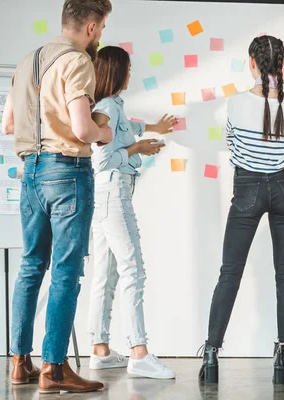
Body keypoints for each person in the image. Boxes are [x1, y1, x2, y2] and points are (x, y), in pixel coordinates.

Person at [2, 0, 113, 393]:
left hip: (29, 172)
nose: (100, 35)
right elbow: (83, 130)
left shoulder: (26, 63)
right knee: (66, 273)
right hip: (66, 172)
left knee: (31, 267)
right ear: (91, 27)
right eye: (101, 28)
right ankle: (54, 369)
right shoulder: (78, 61)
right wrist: (105, 132)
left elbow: (8, 123)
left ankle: (20, 363)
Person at [198, 35, 284, 385]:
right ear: (281, 64)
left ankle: (212, 354)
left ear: (253, 63)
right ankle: (282, 358)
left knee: (230, 272)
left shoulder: (235, 103)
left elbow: (231, 143)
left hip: (247, 188)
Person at [86, 45, 177, 380]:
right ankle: (139, 353)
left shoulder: (112, 106)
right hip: (113, 194)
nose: (131, 73)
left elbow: (126, 126)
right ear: (116, 71)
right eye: (128, 68)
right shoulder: (107, 106)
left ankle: (100, 350)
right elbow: (103, 159)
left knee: (105, 276)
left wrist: (151, 128)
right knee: (133, 271)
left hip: (106, 196)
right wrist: (137, 149)